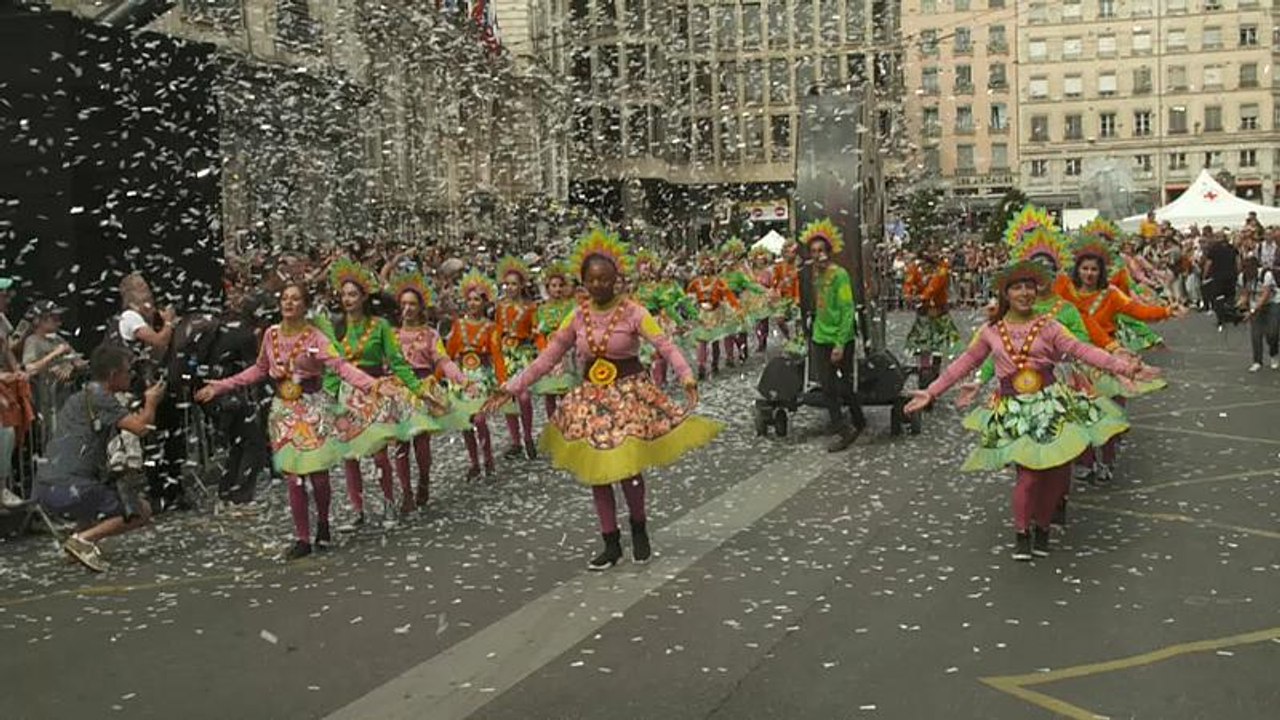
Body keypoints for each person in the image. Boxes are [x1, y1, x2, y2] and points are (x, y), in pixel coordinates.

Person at [483, 228, 721, 570]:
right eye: (592, 280)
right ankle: (610, 541)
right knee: (598, 472)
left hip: (628, 397)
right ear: (583, 282)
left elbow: (664, 345)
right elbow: (548, 357)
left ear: (617, 281)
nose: (599, 286)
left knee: (628, 469)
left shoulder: (635, 312)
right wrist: (513, 385)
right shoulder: (577, 315)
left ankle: (638, 527)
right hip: (591, 401)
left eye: (606, 280)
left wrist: (685, 375)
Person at [904, 261, 1157, 561]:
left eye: (1029, 287)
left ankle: (1043, 528)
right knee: (1030, 475)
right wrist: (932, 391)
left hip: (1050, 403)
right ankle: (1022, 533)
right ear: (1005, 294)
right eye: (1017, 287)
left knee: (1056, 472)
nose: (1024, 293)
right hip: (1014, 409)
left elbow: (1082, 350)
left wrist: (1124, 367)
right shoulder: (991, 331)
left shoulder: (1050, 326)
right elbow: (965, 362)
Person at [196, 283, 384, 560]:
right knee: (294, 477)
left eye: (295, 299)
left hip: (312, 408)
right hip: (284, 411)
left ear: (305, 306)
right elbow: (259, 369)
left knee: (318, 476)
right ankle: (302, 538)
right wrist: (223, 386)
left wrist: (372, 385)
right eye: (285, 298)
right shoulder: (270, 335)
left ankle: (322, 523)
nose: (289, 303)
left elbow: (340, 367)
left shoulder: (316, 337)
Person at [315, 258, 425, 530]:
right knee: (349, 455)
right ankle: (358, 511)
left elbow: (397, 362)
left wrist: (419, 389)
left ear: (364, 297)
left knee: (378, 454)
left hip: (375, 393)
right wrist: (326, 400)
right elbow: (330, 369)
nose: (348, 299)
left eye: (353, 294)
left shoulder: (380, 327)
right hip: (346, 396)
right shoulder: (335, 328)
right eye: (344, 294)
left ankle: (389, 503)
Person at [35, 345, 165, 572]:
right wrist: (151, 401)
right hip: (69, 486)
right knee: (140, 510)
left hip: (45, 486)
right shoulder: (102, 398)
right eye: (127, 371)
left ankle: (77, 540)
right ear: (114, 375)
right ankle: (83, 540)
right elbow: (142, 428)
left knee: (96, 495)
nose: (131, 375)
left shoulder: (79, 397)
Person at [389, 272, 480, 509]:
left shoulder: (430, 334)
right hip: (398, 389)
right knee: (400, 442)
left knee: (420, 440)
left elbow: (443, 360)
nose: (408, 309)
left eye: (412, 304)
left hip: (422, 388)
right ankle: (406, 492)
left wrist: (461, 379)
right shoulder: (392, 335)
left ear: (420, 308)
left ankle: (424, 480)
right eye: (404, 304)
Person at [801, 218, 867, 453]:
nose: (817, 255)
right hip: (820, 337)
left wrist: (840, 343)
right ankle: (844, 428)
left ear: (829, 253)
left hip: (841, 337)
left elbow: (847, 309)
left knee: (843, 386)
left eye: (821, 250)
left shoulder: (840, 275)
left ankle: (858, 421)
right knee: (827, 386)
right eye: (814, 251)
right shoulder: (814, 275)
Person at [445, 271, 501, 480]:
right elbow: (449, 353)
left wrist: (502, 381)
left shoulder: (491, 327)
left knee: (479, 419)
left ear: (485, 303)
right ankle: (474, 462)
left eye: (476, 299)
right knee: (465, 421)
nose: (472, 303)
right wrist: (442, 375)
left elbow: (497, 355)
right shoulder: (458, 325)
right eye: (469, 299)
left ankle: (488, 458)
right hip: (463, 377)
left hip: (482, 376)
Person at [493, 256, 539, 460]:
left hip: (522, 354)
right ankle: (515, 441)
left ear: (522, 285)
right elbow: (496, 331)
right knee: (507, 398)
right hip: (505, 354)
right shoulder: (500, 307)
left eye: (514, 284)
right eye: (507, 284)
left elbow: (536, 332)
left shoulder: (531, 308)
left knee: (524, 397)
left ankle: (528, 436)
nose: (510, 288)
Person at [1240, 255, 1280, 372]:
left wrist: (1252, 311)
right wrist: (1238, 306)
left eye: (1248, 269)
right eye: (1244, 269)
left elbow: (1265, 295)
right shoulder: (1244, 277)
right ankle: (1257, 361)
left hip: (1273, 302)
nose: (1246, 272)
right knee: (1256, 334)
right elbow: (1245, 294)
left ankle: (1274, 355)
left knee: (1272, 332)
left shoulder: (1266, 275)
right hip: (1255, 303)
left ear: (1254, 268)